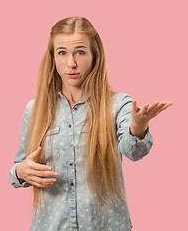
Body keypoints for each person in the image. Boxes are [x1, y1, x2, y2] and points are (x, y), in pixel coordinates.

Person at [9, 16, 172, 231]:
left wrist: (139, 126)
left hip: (106, 225)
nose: (71, 63)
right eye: (62, 53)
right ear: (53, 58)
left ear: (95, 55)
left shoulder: (117, 104)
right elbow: (17, 170)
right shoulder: (34, 109)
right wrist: (21, 171)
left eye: (80, 52)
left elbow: (134, 152)